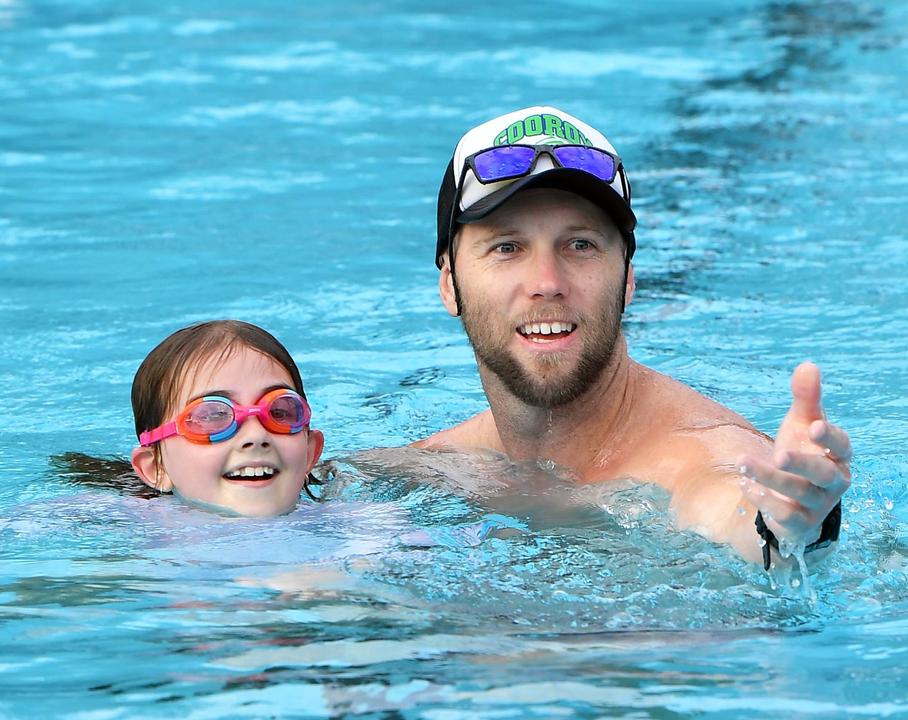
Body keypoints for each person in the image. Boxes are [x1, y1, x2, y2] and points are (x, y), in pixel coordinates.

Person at [413, 106, 851, 567]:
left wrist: (786, 528)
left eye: (581, 244)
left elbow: (731, 506)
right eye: (507, 247)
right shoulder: (431, 468)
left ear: (627, 280)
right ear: (449, 283)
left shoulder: (700, 456)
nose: (547, 280)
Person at [129, 320, 326, 517]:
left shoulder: (348, 523)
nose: (256, 435)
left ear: (310, 453)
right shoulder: (123, 524)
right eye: (213, 415)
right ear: (156, 468)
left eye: (279, 412)